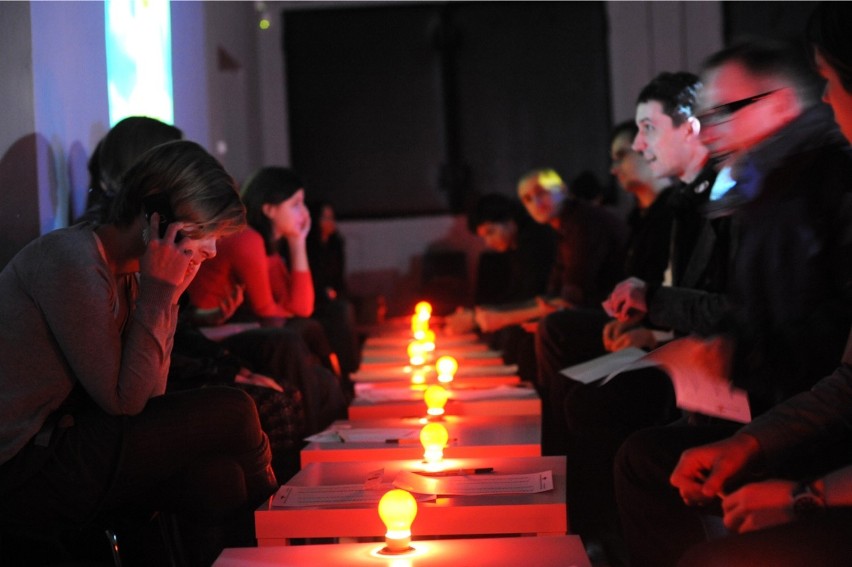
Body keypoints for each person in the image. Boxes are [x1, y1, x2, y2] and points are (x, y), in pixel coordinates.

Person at [614, 36, 852, 567]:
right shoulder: (757, 190)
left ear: (781, 105)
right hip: (782, 403)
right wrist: (720, 352)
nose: (712, 129)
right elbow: (758, 315)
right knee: (644, 450)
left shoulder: (815, 189)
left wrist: (733, 361)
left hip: (814, 425)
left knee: (643, 457)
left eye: (724, 112)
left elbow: (821, 343)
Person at [0, 140, 276, 567]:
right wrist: (160, 294)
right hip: (22, 465)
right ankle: (284, 544)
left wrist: (166, 296)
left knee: (218, 482)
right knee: (235, 410)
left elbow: (151, 397)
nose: (213, 251)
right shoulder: (72, 260)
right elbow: (123, 401)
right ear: (158, 217)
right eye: (208, 233)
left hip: (61, 442)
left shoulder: (128, 274)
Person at [537, 87, 717, 564]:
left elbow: (723, 308)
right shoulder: (677, 205)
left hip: (706, 358)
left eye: (647, 130)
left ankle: (599, 532)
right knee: (564, 364)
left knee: (592, 400)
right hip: (675, 341)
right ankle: (574, 514)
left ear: (692, 127)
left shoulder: (715, 199)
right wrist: (646, 322)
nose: (638, 147)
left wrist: (652, 329)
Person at [187, 167, 348, 429]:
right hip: (208, 333)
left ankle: (337, 432)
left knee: (322, 376)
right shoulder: (247, 238)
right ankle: (315, 438)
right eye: (296, 204)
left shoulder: (268, 246)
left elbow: (299, 306)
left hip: (231, 327)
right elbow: (269, 313)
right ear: (269, 209)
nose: (306, 214)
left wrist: (297, 243)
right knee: (299, 331)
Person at [445, 192, 557, 382]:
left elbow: (531, 293)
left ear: (510, 220)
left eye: (491, 232)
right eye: (483, 236)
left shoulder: (535, 241)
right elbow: (515, 291)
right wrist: (480, 312)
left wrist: (478, 317)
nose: (488, 242)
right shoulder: (517, 245)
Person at [305, 199, 361, 396]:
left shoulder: (336, 243)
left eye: (332, 217)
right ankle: (346, 373)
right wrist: (324, 293)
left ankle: (352, 371)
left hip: (332, 298)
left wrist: (337, 293)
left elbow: (339, 279)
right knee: (341, 311)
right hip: (313, 301)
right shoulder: (307, 246)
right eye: (325, 217)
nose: (331, 222)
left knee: (345, 307)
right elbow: (310, 279)